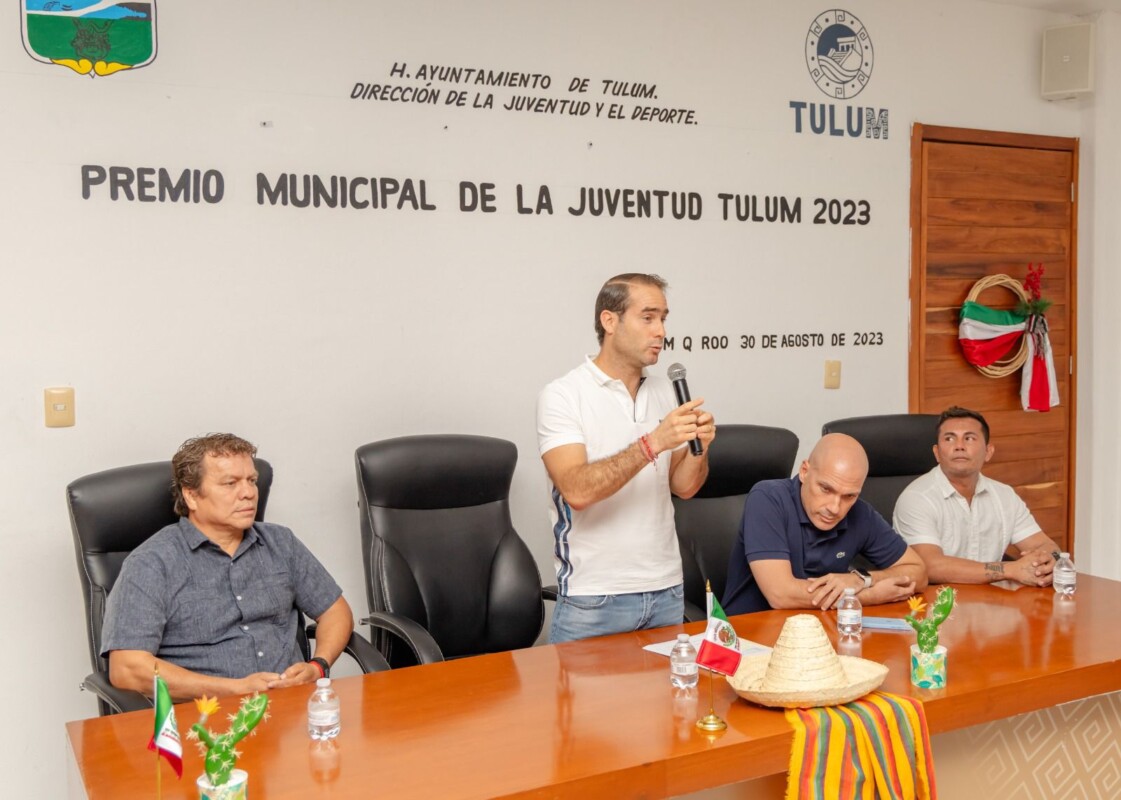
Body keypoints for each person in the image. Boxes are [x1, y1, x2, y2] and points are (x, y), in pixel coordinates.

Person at [101, 433, 355, 701]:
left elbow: (336, 611)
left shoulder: (281, 543)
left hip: (291, 709)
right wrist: (234, 689)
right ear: (191, 496)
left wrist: (318, 666)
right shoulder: (151, 563)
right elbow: (127, 668)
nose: (248, 493)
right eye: (230, 483)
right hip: (204, 721)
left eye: (252, 481)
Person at [537, 273, 715, 642]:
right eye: (648, 317)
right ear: (610, 321)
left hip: (666, 589)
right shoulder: (564, 395)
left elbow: (684, 487)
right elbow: (578, 491)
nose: (661, 331)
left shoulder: (667, 391)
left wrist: (701, 448)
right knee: (589, 703)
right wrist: (652, 443)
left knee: (670, 701)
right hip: (595, 597)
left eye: (664, 318)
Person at [723, 433, 927, 616]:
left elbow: (918, 572)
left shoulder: (860, 513)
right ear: (804, 471)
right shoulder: (768, 498)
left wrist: (862, 579)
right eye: (826, 489)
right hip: (750, 633)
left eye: (849, 496)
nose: (835, 507)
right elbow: (781, 595)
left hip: (818, 632)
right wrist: (867, 596)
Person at [893, 406, 1061, 586]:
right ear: (936, 453)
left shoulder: (1004, 495)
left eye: (969, 438)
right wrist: (1009, 569)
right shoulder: (917, 498)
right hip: (938, 606)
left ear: (988, 452)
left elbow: (1047, 546)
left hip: (994, 603)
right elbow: (930, 567)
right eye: (949, 438)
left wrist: (1049, 560)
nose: (959, 446)